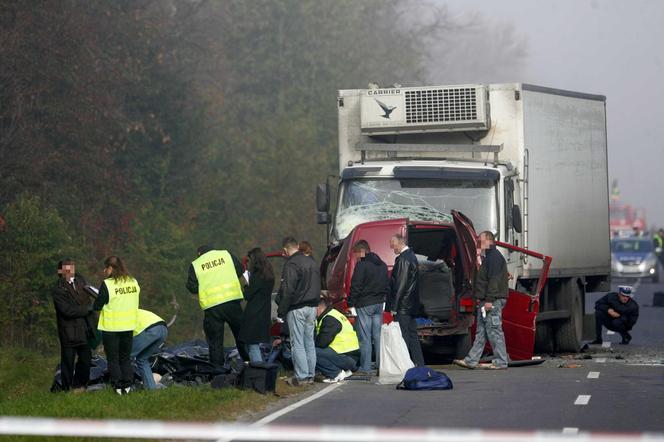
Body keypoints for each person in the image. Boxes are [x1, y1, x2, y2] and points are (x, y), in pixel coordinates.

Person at [453, 231, 509, 370]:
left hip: (492, 300)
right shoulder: (488, 258)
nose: (478, 243)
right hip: (486, 300)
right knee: (482, 331)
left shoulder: (494, 258)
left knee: (494, 330)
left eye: (481, 240)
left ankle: (501, 361)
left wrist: (489, 299)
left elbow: (494, 280)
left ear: (490, 241)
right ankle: (471, 360)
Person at [186, 244, 248, 367]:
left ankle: (218, 371)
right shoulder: (226, 254)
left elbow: (192, 287)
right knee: (242, 334)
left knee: (215, 342)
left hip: (212, 307)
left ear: (199, 254)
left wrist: (205, 286)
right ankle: (250, 362)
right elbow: (240, 270)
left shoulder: (196, 264)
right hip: (232, 302)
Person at [276, 236, 320, 386]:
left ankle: (301, 377)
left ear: (286, 249)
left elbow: (288, 290)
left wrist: (281, 310)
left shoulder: (292, 264)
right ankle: (310, 375)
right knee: (309, 342)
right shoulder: (311, 261)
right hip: (313, 307)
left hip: (297, 307)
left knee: (297, 343)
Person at [93, 256, 140, 394]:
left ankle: (118, 388)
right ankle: (128, 386)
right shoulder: (133, 281)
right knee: (125, 357)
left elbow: (98, 305)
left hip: (112, 328)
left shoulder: (107, 284)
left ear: (111, 268)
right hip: (129, 326)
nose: (104, 271)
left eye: (106, 268)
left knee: (113, 359)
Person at [52, 258, 96, 392]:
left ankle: (80, 386)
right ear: (61, 271)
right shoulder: (58, 289)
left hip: (84, 329)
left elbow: (89, 297)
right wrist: (87, 309)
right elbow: (66, 310)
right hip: (68, 331)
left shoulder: (81, 281)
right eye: (67, 267)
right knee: (67, 362)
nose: (70, 270)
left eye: (72, 266)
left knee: (86, 359)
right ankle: (65, 389)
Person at [348, 240, 388, 374]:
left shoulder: (362, 265)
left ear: (362, 251)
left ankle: (365, 367)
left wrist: (350, 303)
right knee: (378, 336)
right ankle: (381, 365)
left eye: (357, 254)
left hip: (365, 304)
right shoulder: (382, 264)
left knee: (364, 337)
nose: (356, 257)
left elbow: (356, 286)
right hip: (379, 303)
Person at [386, 233, 425, 367]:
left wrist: (394, 306)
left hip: (403, 305)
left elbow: (400, 285)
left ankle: (404, 365)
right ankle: (419, 364)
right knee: (413, 336)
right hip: (411, 305)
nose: (393, 249)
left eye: (394, 246)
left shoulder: (403, 259)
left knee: (403, 337)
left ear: (401, 242)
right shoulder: (411, 256)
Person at [239, 248, 275, 363]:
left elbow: (247, 295)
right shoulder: (269, 275)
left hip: (254, 313)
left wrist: (246, 285)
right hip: (264, 312)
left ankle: (258, 369)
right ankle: (259, 367)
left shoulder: (257, 277)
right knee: (254, 344)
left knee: (252, 344)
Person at [315, 298, 360, 383]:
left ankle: (335, 373)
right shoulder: (333, 314)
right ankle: (344, 371)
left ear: (318, 308)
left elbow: (322, 343)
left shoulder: (329, 319)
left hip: (348, 357)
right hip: (351, 357)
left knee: (311, 351)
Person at [131, 309, 168, 390]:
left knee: (125, 357)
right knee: (142, 359)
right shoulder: (132, 310)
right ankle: (151, 389)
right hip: (163, 328)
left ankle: (124, 387)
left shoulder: (118, 317)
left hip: (149, 329)